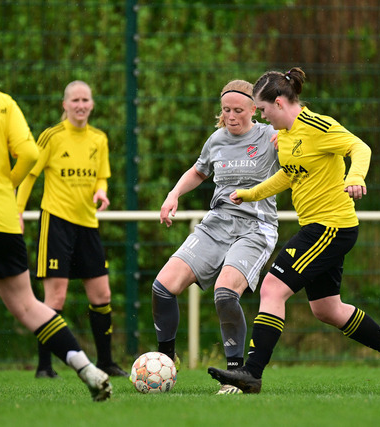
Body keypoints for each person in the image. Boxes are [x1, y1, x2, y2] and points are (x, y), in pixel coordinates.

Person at [207, 67, 380, 394]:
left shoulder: (319, 127)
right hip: (320, 227)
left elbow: (360, 148)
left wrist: (355, 177)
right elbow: (289, 175)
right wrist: (250, 193)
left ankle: (251, 373)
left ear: (279, 103)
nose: (261, 116)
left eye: (262, 109)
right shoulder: (285, 135)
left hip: (331, 226)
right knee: (327, 309)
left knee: (272, 288)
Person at [0, 27, 111, 405]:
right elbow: (30, 155)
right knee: (28, 305)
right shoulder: (3, 102)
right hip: (2, 215)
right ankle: (89, 369)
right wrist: (4, 185)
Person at [152, 79, 279, 394]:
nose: (231, 116)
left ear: (254, 109)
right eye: (226, 110)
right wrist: (173, 194)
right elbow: (199, 171)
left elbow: (303, 151)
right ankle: (165, 362)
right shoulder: (217, 140)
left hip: (255, 227)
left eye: (238, 110)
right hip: (218, 223)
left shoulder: (272, 136)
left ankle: (235, 374)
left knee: (224, 293)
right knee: (162, 287)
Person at [15, 80, 127, 378]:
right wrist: (17, 211)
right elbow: (29, 176)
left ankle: (106, 362)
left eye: (85, 100)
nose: (80, 105)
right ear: (64, 105)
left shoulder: (99, 139)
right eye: (75, 100)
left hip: (88, 224)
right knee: (56, 298)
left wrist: (101, 191)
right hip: (56, 223)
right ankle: (44, 367)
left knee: (101, 294)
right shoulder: (51, 136)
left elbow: (101, 177)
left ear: (92, 104)